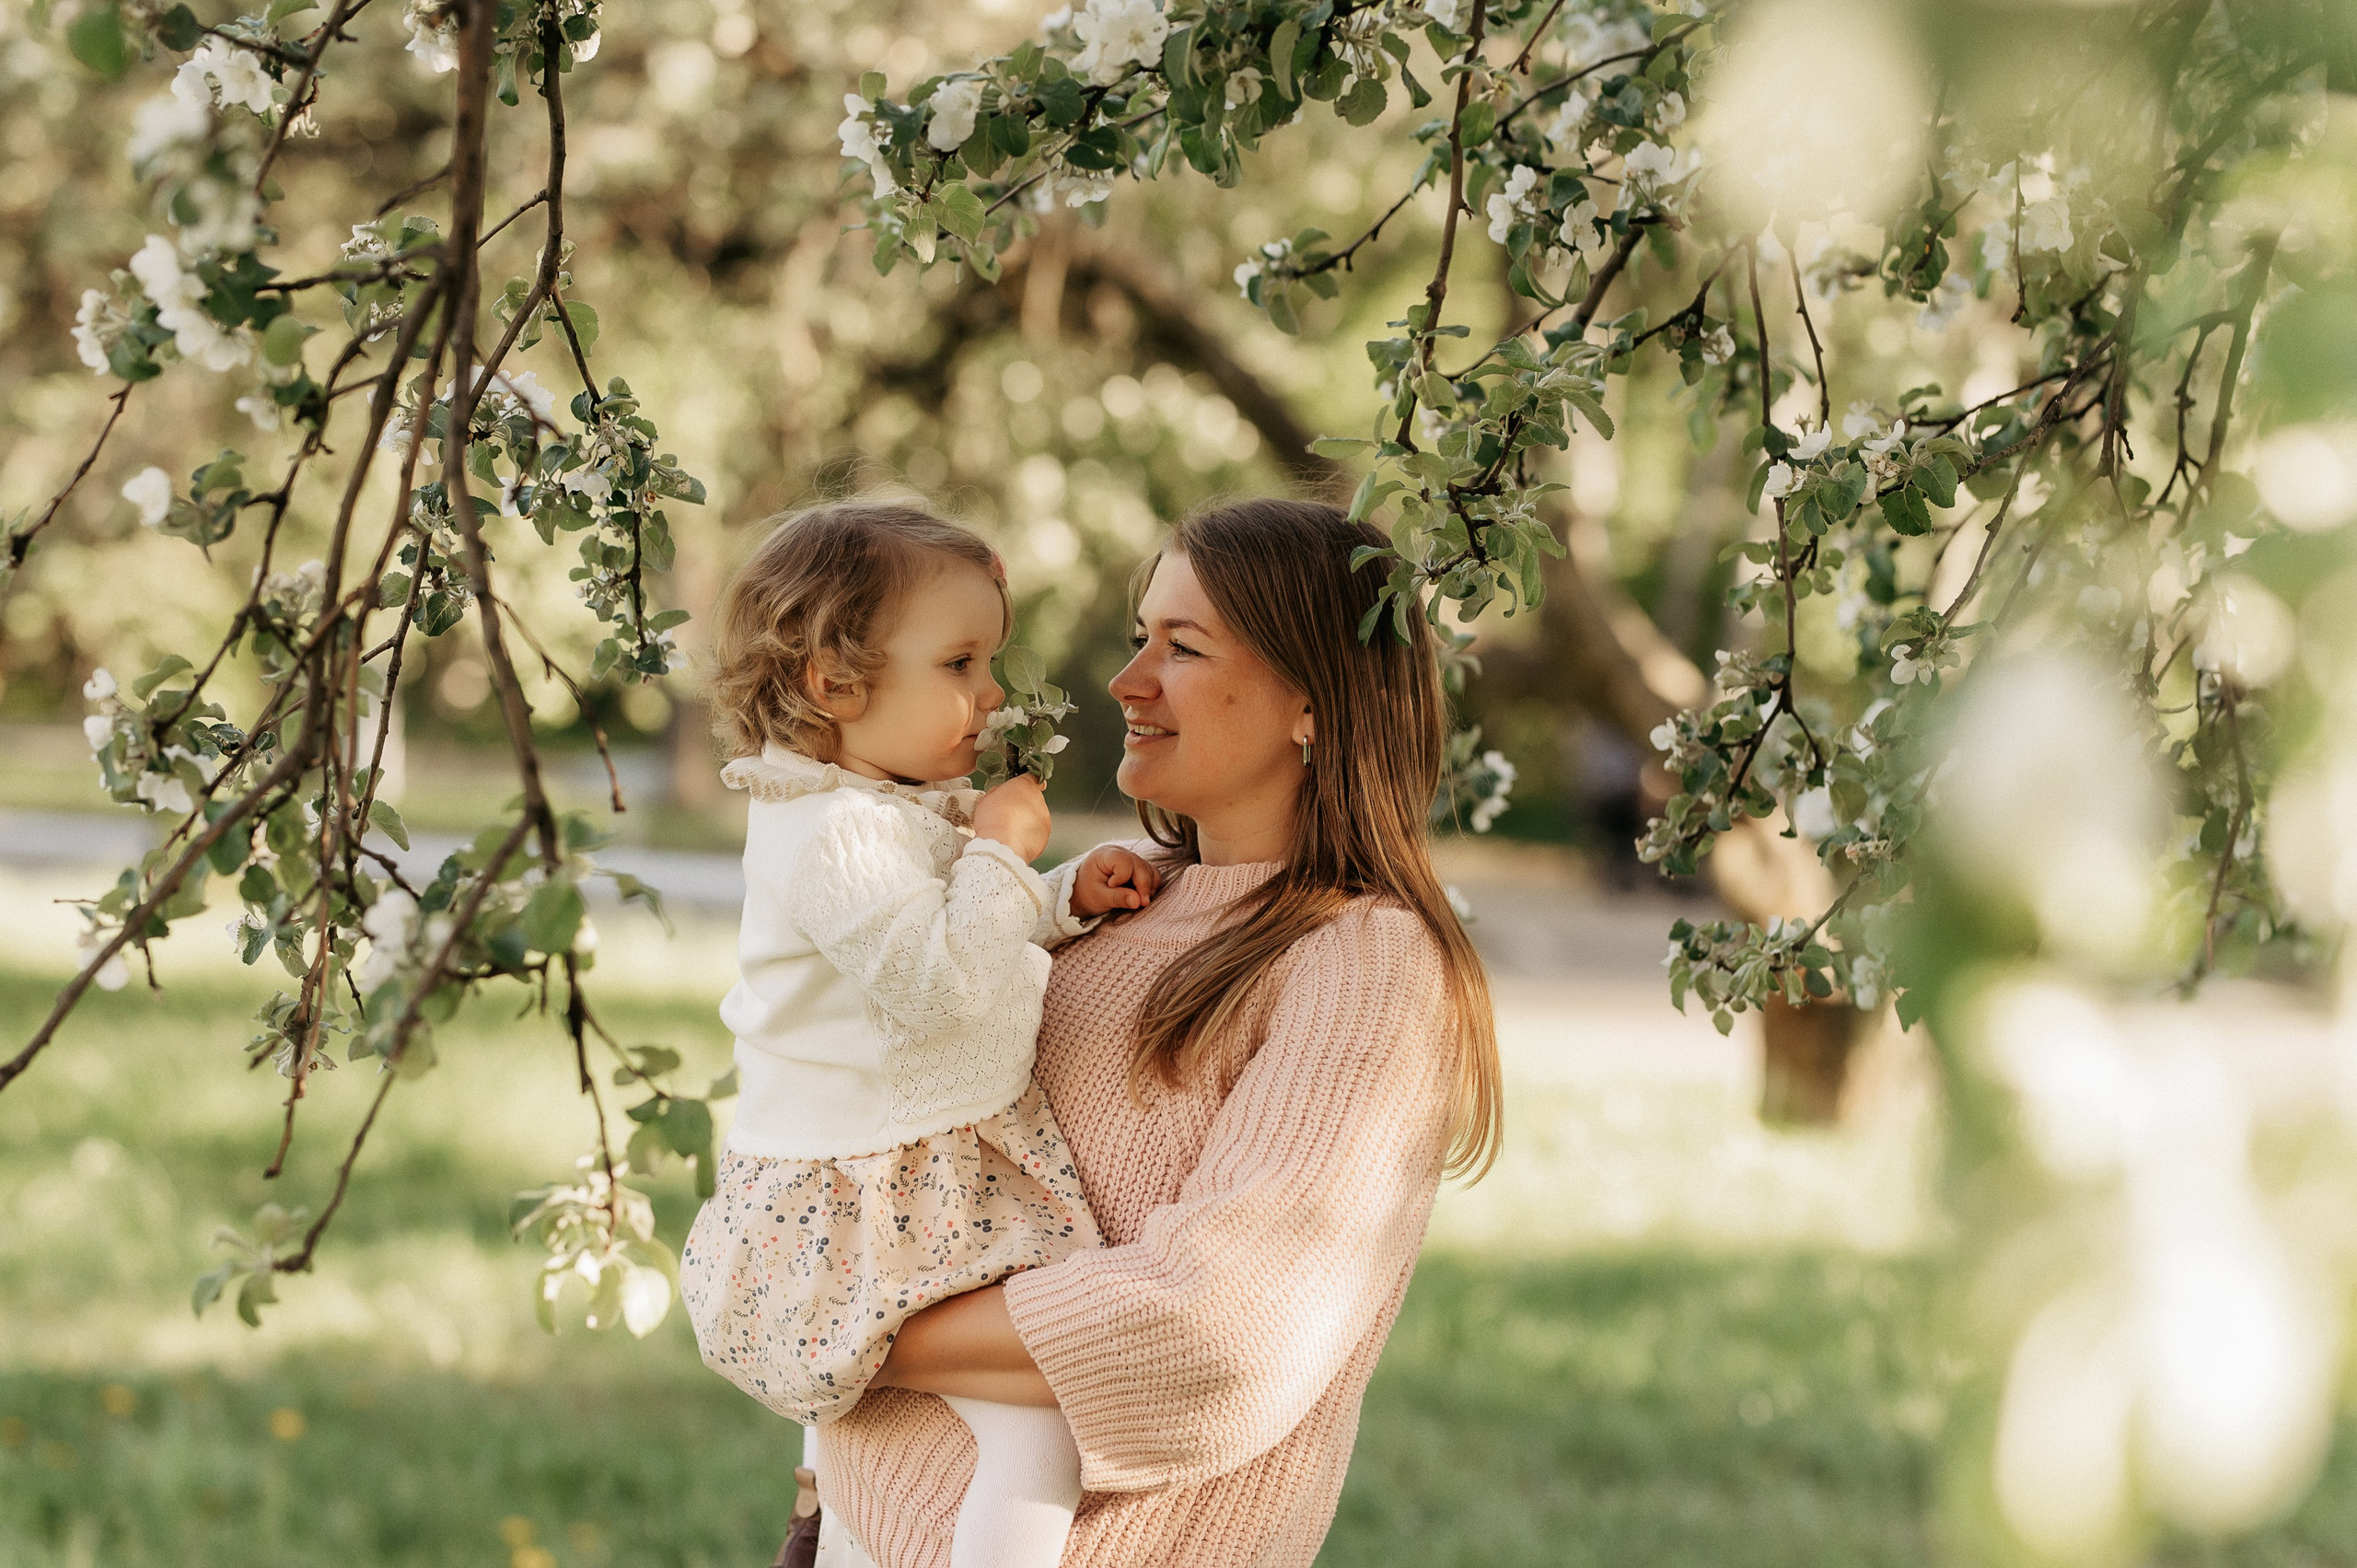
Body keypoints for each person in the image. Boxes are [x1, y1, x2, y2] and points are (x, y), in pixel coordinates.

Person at [813, 498, 1503, 1568]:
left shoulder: (1365, 961)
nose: (1129, 680)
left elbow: (1219, 1324)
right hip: (864, 1515)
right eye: (1142, 635)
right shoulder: (1118, 896)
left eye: (1181, 646)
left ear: (1311, 701)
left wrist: (834, 1328)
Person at [677, 500, 1160, 1568]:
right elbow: (936, 981)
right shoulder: (830, 833)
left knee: (1026, 1427)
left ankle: (835, 1509)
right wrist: (998, 852)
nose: (989, 695)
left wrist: (1057, 892)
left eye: (989, 659)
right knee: (1039, 1434)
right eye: (958, 661)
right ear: (832, 682)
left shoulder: (878, 808)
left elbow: (944, 931)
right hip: (860, 1192)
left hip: (905, 1168)